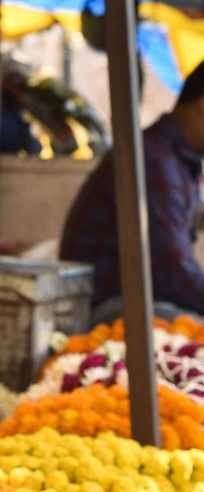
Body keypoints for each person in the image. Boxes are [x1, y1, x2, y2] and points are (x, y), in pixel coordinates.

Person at [60, 60, 204, 319]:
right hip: (107, 308)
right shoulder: (155, 159)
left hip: (142, 302)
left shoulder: (177, 159)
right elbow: (173, 273)